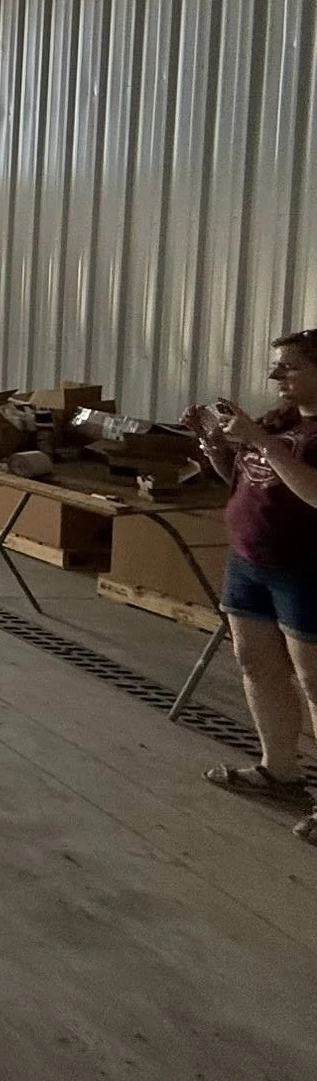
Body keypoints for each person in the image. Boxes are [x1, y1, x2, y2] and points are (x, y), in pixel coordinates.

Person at [184, 329, 317, 842]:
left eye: (290, 367)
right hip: (250, 562)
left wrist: (260, 441)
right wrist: (217, 447)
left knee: (315, 683)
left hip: (305, 570)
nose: (275, 376)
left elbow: (313, 493)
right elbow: (245, 480)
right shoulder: (279, 421)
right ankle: (279, 770)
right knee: (256, 664)